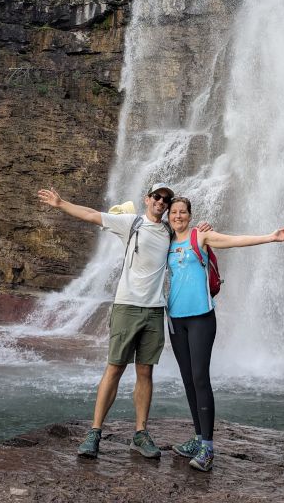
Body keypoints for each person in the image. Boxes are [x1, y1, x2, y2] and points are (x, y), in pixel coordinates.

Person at [37, 181, 178, 461]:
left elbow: (192, 240)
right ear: (147, 199)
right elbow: (92, 215)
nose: (161, 202)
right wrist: (61, 204)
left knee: (145, 372)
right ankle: (94, 432)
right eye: (157, 197)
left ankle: (140, 434)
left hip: (154, 311)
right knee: (114, 368)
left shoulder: (170, 232)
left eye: (166, 199)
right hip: (126, 306)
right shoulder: (131, 223)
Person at [166, 195, 284, 472]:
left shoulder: (200, 237)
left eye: (183, 212)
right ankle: (197, 438)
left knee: (200, 378)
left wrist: (270, 237)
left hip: (201, 318)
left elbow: (234, 241)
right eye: (174, 212)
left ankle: (208, 448)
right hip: (175, 319)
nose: (178, 216)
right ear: (168, 216)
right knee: (187, 380)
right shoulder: (166, 242)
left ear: (189, 215)